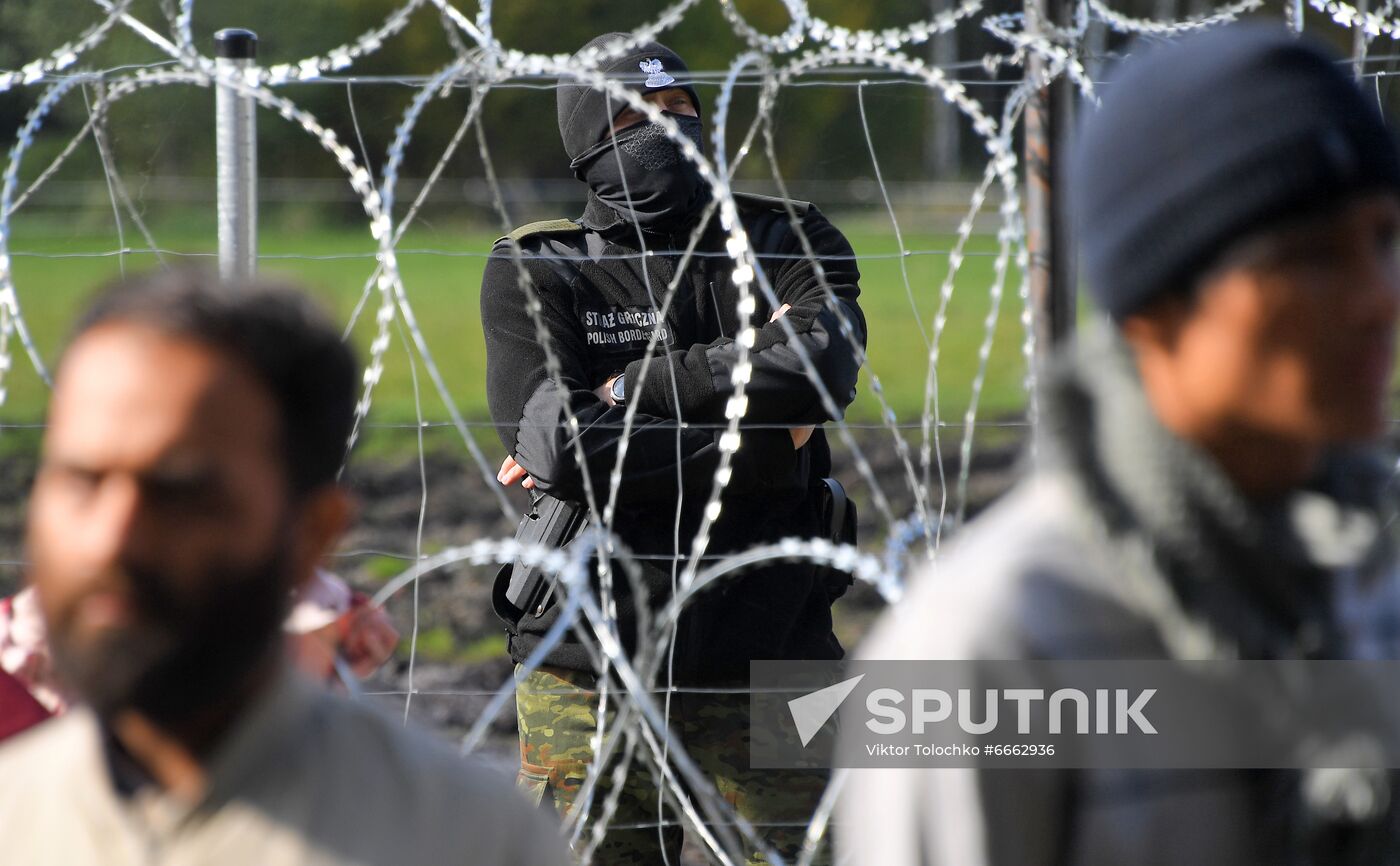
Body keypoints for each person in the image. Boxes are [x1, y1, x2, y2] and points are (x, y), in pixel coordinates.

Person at [838, 23, 1400, 866]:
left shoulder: (1371, 582)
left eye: (1387, 242)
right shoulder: (988, 647)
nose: (1376, 300)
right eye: (1310, 260)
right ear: (1153, 302)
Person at [0, 270, 568, 866]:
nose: (110, 540)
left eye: (180, 493)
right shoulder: (17, 816)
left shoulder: (460, 840)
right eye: (80, 481)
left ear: (312, 535)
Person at [480, 33, 866, 865]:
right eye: (632, 117)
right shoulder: (540, 267)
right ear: (585, 142)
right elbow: (563, 446)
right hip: (588, 657)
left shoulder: (786, 238)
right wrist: (770, 450)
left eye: (678, 109)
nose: (664, 132)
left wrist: (627, 391)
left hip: (779, 642)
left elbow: (824, 363)